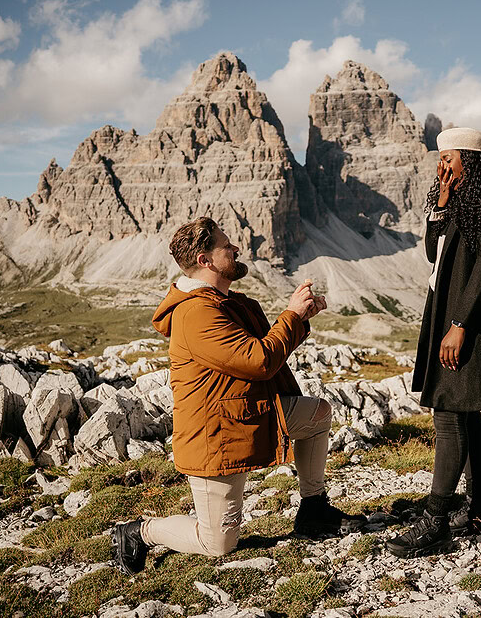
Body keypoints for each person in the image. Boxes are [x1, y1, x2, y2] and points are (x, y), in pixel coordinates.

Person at [111, 217, 365, 575]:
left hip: (247, 415)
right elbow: (259, 361)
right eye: (226, 246)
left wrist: (300, 317)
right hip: (217, 436)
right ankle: (140, 531)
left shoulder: (222, 301)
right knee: (217, 543)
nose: (235, 249)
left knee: (318, 414)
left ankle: (314, 509)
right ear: (205, 260)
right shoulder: (197, 313)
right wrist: (291, 314)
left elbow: (264, 351)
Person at [386, 127, 481, 558]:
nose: (442, 166)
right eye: (440, 159)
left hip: (475, 318)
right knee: (464, 412)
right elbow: (435, 254)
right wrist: (441, 206)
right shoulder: (462, 198)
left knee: (449, 412)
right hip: (451, 312)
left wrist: (460, 324)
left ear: (472, 157)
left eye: (448, 158)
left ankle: (436, 521)